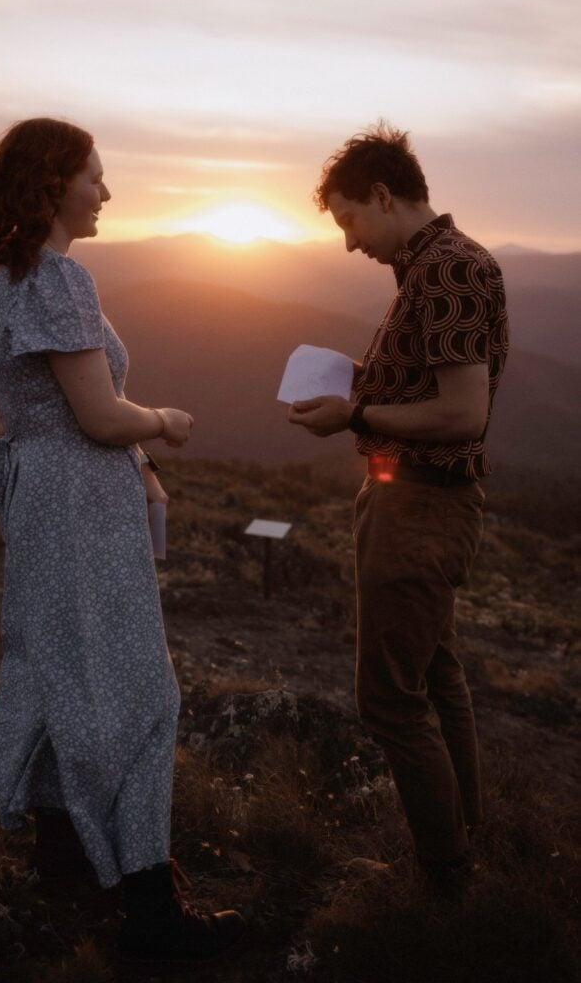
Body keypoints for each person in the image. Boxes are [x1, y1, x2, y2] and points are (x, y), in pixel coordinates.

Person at [0, 117, 244, 966]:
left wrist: (140, 460)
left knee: (56, 663)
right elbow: (98, 414)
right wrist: (164, 424)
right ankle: (151, 911)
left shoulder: (9, 280)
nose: (107, 193)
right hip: (80, 503)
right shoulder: (63, 279)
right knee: (135, 687)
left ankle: (63, 853)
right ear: (54, 184)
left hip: (45, 497)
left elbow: (57, 412)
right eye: (94, 176)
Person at [288, 122, 508, 892]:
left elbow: (459, 415)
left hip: (421, 508)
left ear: (383, 196)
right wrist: (356, 376)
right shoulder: (428, 270)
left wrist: (353, 415)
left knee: (388, 699)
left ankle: (443, 878)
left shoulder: (447, 271)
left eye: (348, 218)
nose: (348, 242)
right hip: (405, 501)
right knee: (436, 674)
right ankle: (460, 841)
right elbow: (426, 385)